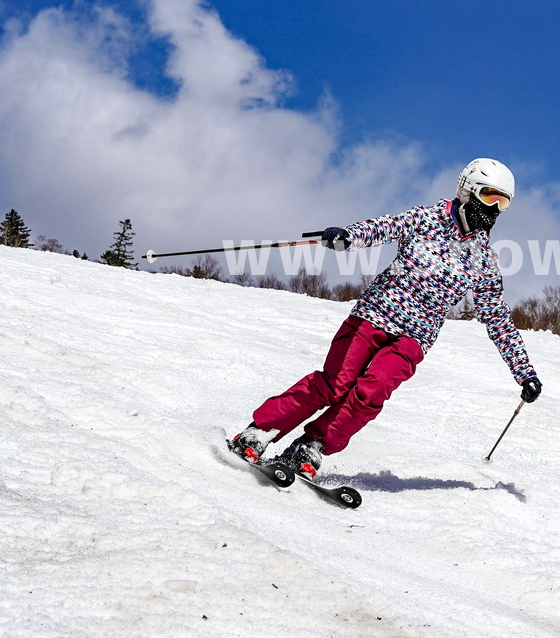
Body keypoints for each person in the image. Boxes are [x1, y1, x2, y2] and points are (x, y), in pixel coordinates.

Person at [229, 158, 542, 477]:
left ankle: (311, 446)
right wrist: (349, 236)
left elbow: (498, 319)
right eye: (491, 196)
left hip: (414, 338)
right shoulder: (427, 219)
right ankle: (259, 432)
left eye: (504, 202)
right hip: (375, 316)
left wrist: (524, 373)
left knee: (371, 393)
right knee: (334, 384)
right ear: (469, 190)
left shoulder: (483, 259)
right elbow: (385, 227)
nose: (495, 208)